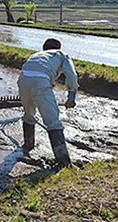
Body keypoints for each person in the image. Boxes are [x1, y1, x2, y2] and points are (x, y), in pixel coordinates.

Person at [17, 38, 78, 167]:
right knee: (53, 122)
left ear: (44, 48)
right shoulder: (61, 55)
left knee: (29, 115)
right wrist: (71, 97)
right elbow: (72, 75)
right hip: (40, 82)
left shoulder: (36, 55)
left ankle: (28, 145)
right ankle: (64, 163)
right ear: (58, 48)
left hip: (23, 79)